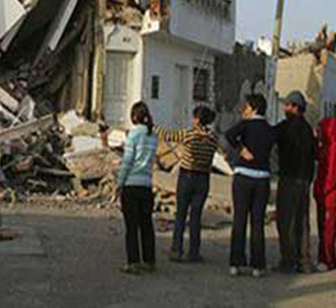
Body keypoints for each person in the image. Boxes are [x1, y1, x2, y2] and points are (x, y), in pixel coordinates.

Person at [155, 105, 220, 263]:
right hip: (203, 178)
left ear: (197, 119)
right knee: (196, 217)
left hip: (187, 176)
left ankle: (176, 250)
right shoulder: (213, 138)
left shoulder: (189, 134)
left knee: (181, 215)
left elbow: (168, 135)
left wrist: (153, 126)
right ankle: (194, 252)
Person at [224, 93, 277, 278]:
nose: (243, 110)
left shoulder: (245, 125)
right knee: (257, 223)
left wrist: (241, 149)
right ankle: (257, 265)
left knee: (239, 221)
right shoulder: (270, 130)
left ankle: (235, 263)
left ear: (253, 108)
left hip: (243, 178)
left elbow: (229, 135)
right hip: (262, 180)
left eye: (246, 107)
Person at [274, 91, 318, 274]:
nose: (285, 108)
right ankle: (304, 260)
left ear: (294, 107)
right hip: (305, 181)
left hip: (289, 179)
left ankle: (288, 261)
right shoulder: (308, 130)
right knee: (302, 221)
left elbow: (269, 138)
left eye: (287, 105)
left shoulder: (285, 127)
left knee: (286, 221)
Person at [117, 101, 159, 275]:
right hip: (146, 185)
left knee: (131, 227)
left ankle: (133, 262)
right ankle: (149, 261)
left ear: (134, 117)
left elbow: (127, 161)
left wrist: (120, 183)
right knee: (146, 225)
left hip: (131, 185)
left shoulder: (133, 135)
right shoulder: (153, 135)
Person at [313, 117, 336, 271]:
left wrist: (325, 190)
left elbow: (334, 175)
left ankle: (328, 259)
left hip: (329, 196)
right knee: (322, 228)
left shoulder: (334, 149)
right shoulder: (324, 147)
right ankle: (325, 257)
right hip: (322, 194)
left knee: (328, 229)